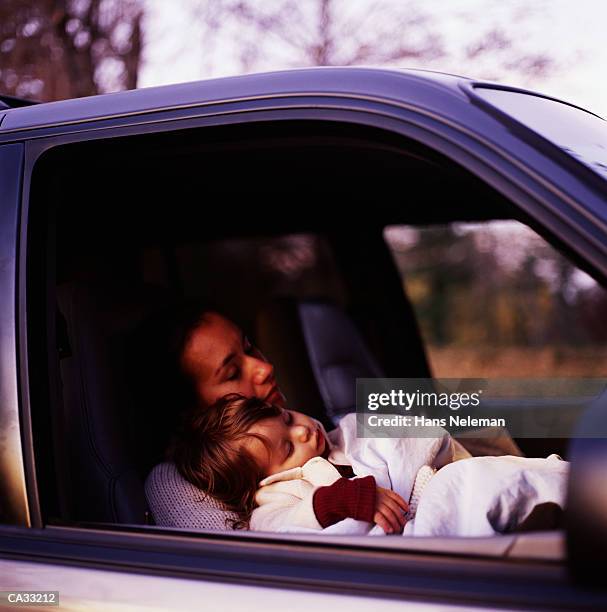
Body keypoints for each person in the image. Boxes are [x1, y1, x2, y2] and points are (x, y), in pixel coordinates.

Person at [169, 393, 569, 536]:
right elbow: (274, 526)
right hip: (412, 538)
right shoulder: (279, 495)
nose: (304, 432)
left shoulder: (347, 433)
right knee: (464, 484)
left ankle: (561, 493)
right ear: (267, 475)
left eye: (288, 418)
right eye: (287, 447)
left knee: (483, 476)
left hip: (429, 497)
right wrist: (336, 502)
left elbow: (407, 442)